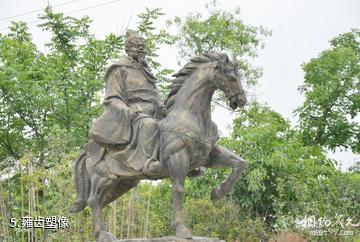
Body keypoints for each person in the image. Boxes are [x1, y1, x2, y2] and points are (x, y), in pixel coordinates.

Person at [89, 30, 164, 176]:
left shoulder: (146, 72)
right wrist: (126, 110)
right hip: (134, 114)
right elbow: (112, 98)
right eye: (137, 46)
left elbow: (153, 94)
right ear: (127, 49)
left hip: (154, 112)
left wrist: (161, 104)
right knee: (150, 125)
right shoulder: (119, 69)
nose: (141, 49)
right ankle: (147, 163)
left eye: (143, 46)